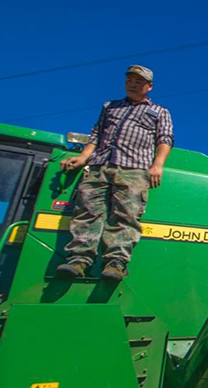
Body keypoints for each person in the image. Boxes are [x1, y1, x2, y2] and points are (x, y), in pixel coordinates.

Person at [56, 65, 174, 282]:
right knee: (87, 212)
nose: (132, 84)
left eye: (138, 81)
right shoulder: (110, 106)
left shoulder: (159, 111)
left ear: (149, 87)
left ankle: (116, 262)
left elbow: (165, 139)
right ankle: (79, 260)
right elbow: (96, 135)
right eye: (129, 79)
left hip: (134, 169)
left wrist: (157, 165)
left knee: (126, 215)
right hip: (100, 165)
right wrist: (83, 158)